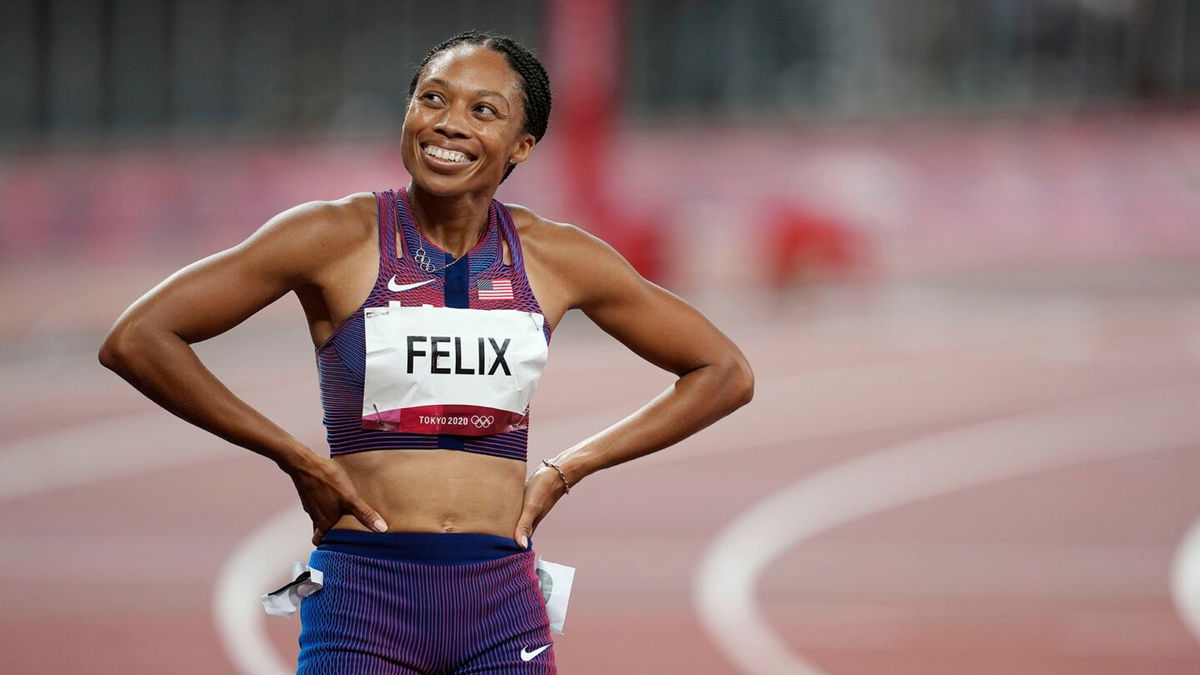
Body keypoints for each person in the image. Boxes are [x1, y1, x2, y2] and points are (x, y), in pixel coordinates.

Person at [99, 30, 754, 674]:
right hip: (363, 599)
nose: (449, 125)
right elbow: (138, 339)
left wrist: (567, 468)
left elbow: (723, 371)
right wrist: (294, 457)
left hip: (501, 605)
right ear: (408, 112)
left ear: (522, 146)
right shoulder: (333, 236)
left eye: (483, 110)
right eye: (433, 99)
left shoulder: (556, 256)